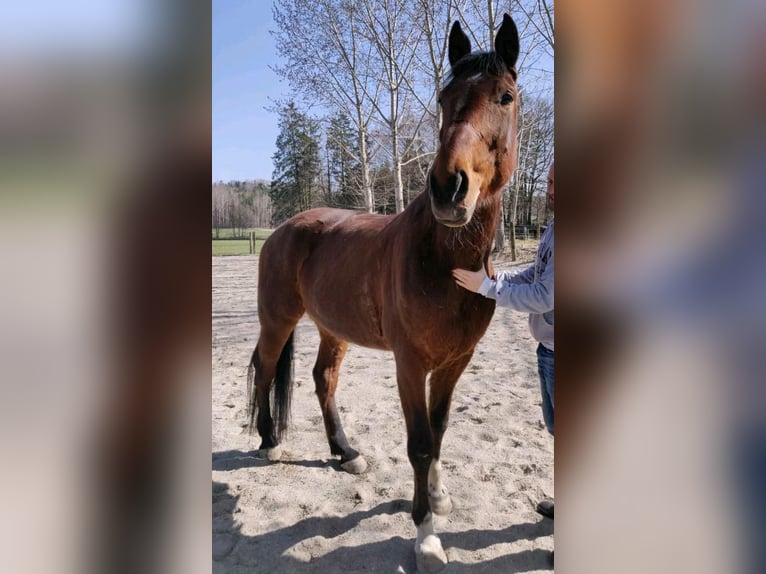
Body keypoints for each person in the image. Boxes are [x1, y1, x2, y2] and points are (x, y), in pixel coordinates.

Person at [452, 162, 554, 519]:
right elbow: (537, 273)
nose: (551, 190)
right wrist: (501, 277)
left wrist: (488, 288)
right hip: (550, 348)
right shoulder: (558, 225)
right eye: (551, 181)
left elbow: (545, 296)